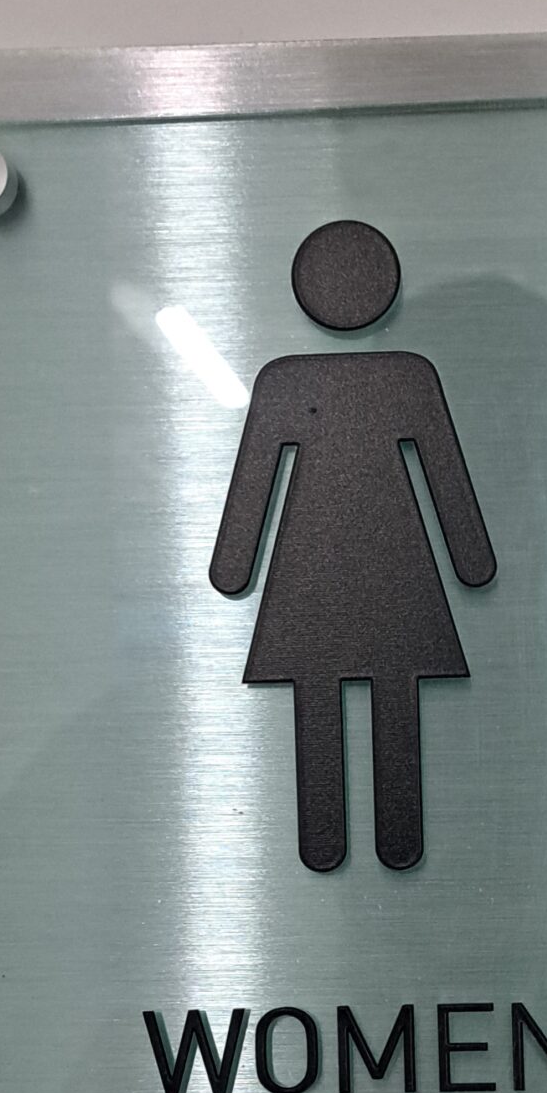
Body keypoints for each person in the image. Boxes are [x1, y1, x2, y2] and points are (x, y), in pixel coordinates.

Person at [209, 221, 496, 871]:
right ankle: (391, 839)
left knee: (322, 694)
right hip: (393, 562)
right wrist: (470, 560)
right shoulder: (406, 376)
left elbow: (253, 486)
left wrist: (234, 566)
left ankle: (331, 840)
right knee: (392, 690)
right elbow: (445, 477)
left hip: (315, 567)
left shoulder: (288, 381)